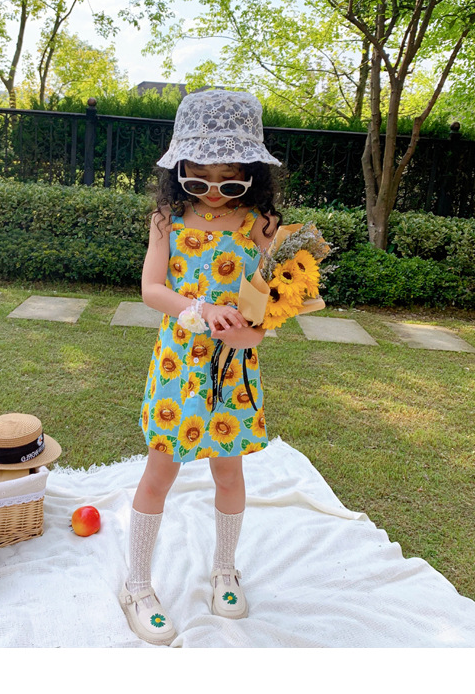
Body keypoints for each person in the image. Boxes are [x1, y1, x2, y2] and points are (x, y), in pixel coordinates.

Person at [119, 89, 283, 645]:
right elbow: (151, 289)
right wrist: (202, 310)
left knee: (229, 473)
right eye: (198, 179)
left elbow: (267, 305)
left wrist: (251, 335)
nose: (213, 192)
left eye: (229, 182)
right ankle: (137, 584)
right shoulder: (166, 218)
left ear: (252, 176)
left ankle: (225, 569)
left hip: (233, 372)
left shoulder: (261, 225)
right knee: (159, 473)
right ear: (178, 171)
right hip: (177, 367)